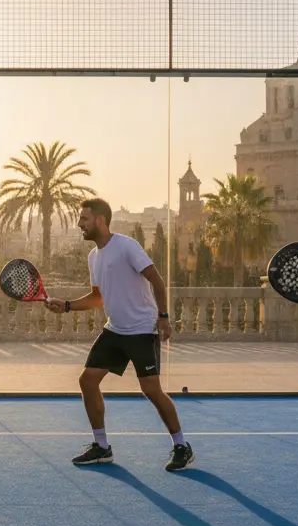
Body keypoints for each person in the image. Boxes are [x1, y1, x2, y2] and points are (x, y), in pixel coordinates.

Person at [46, 198, 193, 472]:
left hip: (141, 329)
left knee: (151, 390)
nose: (80, 224)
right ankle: (101, 447)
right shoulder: (94, 257)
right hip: (115, 329)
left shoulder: (127, 246)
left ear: (100, 220)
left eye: (84, 219)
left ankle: (182, 446)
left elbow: (156, 279)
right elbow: (98, 297)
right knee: (88, 381)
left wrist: (163, 318)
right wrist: (66, 306)